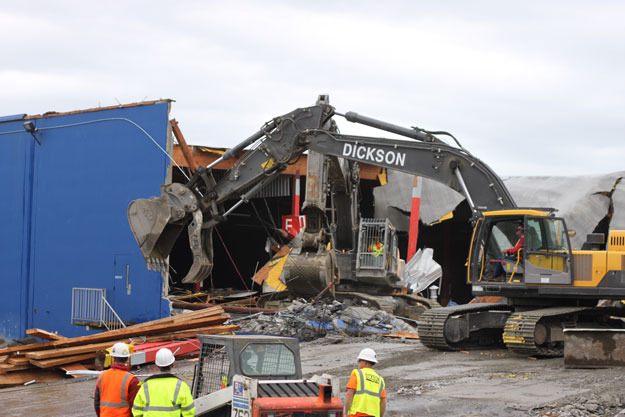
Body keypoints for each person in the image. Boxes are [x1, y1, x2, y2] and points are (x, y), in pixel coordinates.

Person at [132, 348, 195, 417]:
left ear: (157, 365)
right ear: (173, 364)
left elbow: (137, 410)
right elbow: (189, 412)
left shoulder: (145, 386)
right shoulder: (181, 386)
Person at [94, 342, 140, 417]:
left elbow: (97, 403)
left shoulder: (102, 376)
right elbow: (135, 406)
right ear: (127, 358)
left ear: (113, 357)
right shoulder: (131, 380)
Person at [344, 348, 386, 417]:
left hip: (357, 414)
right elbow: (383, 402)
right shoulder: (380, 379)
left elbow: (349, 394)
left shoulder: (358, 374)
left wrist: (345, 413)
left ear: (365, 362)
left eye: (359, 361)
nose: (359, 363)